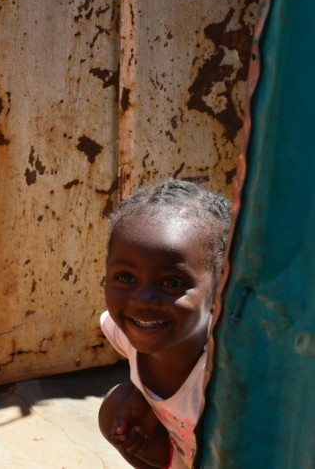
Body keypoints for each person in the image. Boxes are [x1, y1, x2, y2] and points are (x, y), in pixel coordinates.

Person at [97, 179, 231, 468]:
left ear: (219, 289)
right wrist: (143, 396)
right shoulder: (124, 329)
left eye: (172, 282)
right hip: (187, 456)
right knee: (114, 409)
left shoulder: (229, 375)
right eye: (126, 277)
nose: (143, 300)